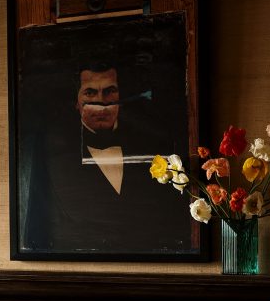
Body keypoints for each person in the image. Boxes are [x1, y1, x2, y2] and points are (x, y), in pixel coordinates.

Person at [23, 61, 188, 255]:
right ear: (77, 102)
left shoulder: (156, 143)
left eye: (110, 91)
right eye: (90, 93)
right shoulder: (51, 152)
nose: (101, 102)